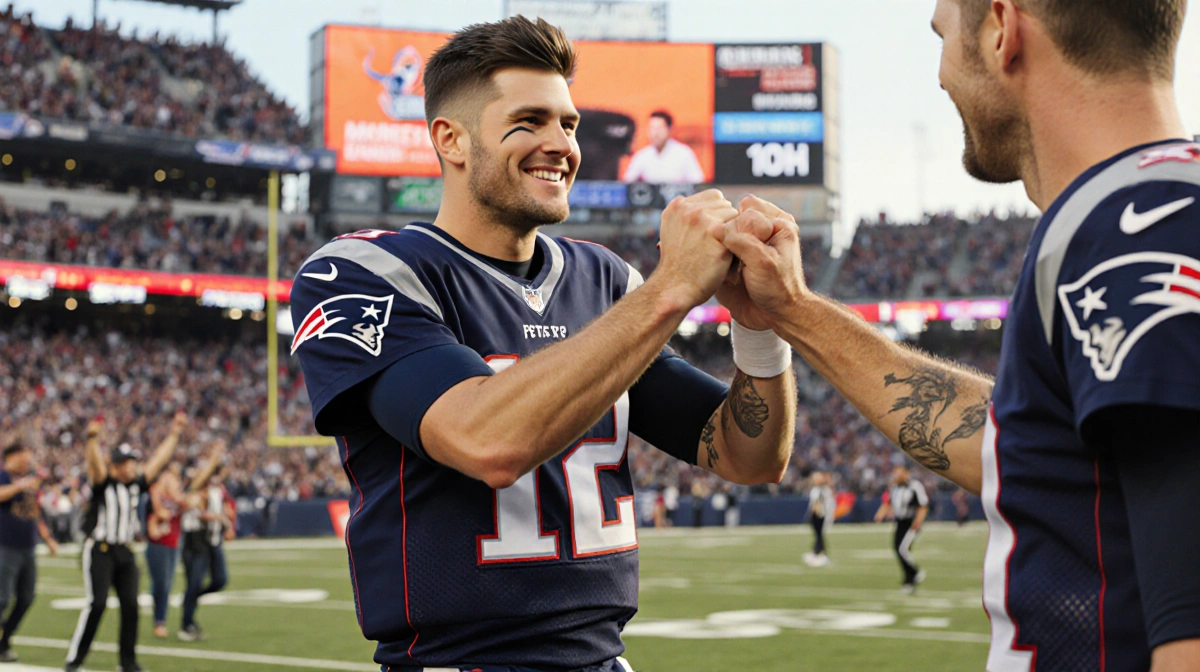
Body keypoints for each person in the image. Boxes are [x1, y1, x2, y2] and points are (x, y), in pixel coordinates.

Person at [290, 16, 797, 670]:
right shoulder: (363, 271)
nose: (561, 144)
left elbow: (749, 456)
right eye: (529, 121)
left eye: (569, 124)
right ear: (451, 139)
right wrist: (669, 289)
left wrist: (759, 327)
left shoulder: (605, 281)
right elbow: (488, 441)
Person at [718, 0, 1200, 668]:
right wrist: (794, 310)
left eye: (941, 34)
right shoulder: (1137, 211)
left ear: (1002, 27)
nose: (941, 74)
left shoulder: (1135, 232)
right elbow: (1024, 446)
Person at [65, 413, 183, 672]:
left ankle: (127, 662)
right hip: (101, 550)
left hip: (126, 552)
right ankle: (75, 659)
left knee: (131, 606)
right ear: (115, 465)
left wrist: (174, 434)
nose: (131, 467)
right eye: (126, 463)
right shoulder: (104, 484)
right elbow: (95, 465)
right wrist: (92, 439)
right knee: (97, 604)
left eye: (132, 463)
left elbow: (158, 460)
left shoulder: (135, 486)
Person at [0, 442, 58, 663]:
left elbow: (34, 511)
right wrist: (19, 486)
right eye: (24, 456)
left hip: (27, 547)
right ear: (12, 457)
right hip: (5, 545)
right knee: (2, 598)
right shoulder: (4, 476)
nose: (28, 461)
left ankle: (4, 641)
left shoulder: (28, 480)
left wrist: (47, 538)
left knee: (26, 597)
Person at [178, 447, 234, 642]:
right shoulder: (193, 488)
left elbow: (222, 505)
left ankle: (190, 599)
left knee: (220, 579)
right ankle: (187, 623)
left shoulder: (216, 488)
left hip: (212, 540)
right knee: (194, 582)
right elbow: (195, 509)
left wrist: (225, 523)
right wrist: (214, 456)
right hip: (195, 540)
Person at [873, 466, 928, 593]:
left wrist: (918, 521)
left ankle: (915, 572)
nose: (896, 475)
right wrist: (880, 514)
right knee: (897, 549)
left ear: (907, 473)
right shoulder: (894, 488)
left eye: (899, 473)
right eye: (895, 473)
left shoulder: (915, 486)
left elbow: (923, 505)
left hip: (911, 522)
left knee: (903, 550)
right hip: (900, 522)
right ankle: (909, 581)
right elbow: (888, 503)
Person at [145, 462, 184, 638]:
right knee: (161, 584)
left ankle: (160, 617)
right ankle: (159, 621)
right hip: (158, 544)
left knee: (166, 584)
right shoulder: (155, 492)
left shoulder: (175, 495)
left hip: (173, 544)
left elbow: (186, 504)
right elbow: (159, 513)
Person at [621, 110, 706, 184]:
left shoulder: (684, 153)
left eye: (659, 128)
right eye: (652, 128)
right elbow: (628, 182)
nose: (655, 133)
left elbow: (698, 182)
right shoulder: (642, 155)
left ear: (669, 129)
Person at [803, 471, 835, 567]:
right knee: (819, 536)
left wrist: (817, 514)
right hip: (819, 515)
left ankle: (819, 553)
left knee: (819, 536)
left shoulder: (821, 490)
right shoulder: (819, 490)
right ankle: (817, 553)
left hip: (820, 515)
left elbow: (817, 504)